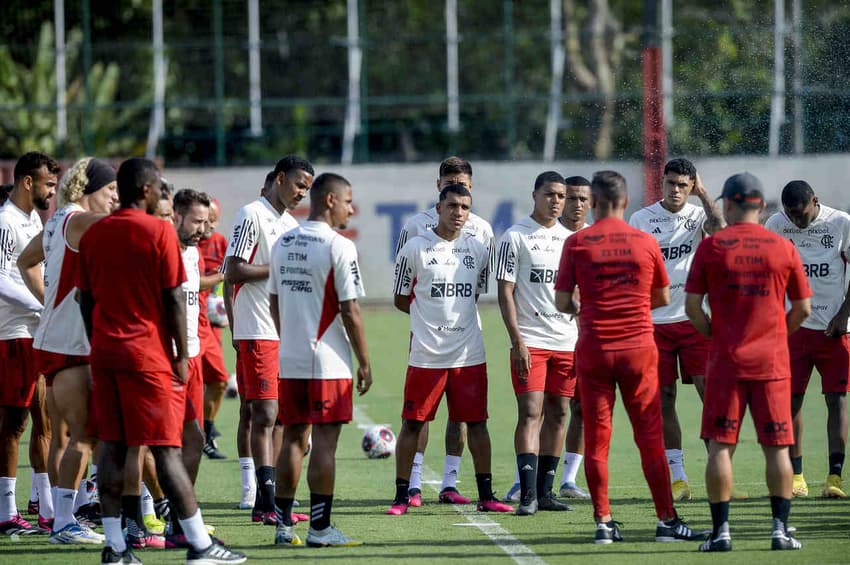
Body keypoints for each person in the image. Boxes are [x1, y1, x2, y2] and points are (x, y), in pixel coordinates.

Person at [78, 157, 245, 564]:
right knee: (168, 449)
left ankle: (115, 548)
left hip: (106, 353)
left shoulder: (94, 234)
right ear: (147, 191)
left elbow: (86, 299)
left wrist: (97, 341)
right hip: (148, 356)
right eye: (158, 191)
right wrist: (184, 354)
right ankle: (199, 545)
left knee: (113, 450)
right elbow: (174, 296)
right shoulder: (158, 232)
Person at [554, 170, 704, 544]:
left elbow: (561, 302)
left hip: (594, 350)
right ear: (624, 201)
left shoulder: (576, 242)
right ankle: (666, 521)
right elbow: (663, 299)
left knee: (598, 439)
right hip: (639, 348)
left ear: (592, 203)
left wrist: (592, 308)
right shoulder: (644, 240)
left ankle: (604, 521)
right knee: (650, 437)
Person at [686, 173, 811, 552]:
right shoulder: (782, 246)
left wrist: (716, 335)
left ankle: (721, 533)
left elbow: (692, 307)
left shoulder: (712, 247)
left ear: (728, 204)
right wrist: (776, 336)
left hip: (726, 361)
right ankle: (779, 531)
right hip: (772, 363)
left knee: (721, 447)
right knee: (777, 448)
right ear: (761, 204)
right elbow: (803, 308)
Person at [387, 184, 512, 516]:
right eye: (453, 205)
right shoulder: (415, 248)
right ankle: (402, 497)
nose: (459, 212)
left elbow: (476, 293)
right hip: (427, 355)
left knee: (477, 423)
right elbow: (401, 298)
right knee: (412, 423)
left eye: (465, 207)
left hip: (469, 353)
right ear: (439, 207)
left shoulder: (478, 249)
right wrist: (428, 321)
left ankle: (487, 495)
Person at [16, 157, 117, 544]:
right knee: (85, 436)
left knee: (61, 436)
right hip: (74, 342)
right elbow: (122, 225)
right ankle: (66, 523)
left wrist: (49, 303)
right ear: (89, 190)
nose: (114, 199)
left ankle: (63, 519)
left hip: (50, 338)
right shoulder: (78, 219)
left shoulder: (57, 219)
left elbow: (27, 261)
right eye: (110, 191)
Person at [268, 172, 372, 547]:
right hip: (327, 362)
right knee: (324, 444)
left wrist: (290, 340)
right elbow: (351, 310)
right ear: (330, 200)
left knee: (292, 441)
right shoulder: (338, 246)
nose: (351, 208)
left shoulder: (283, 241)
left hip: (290, 357)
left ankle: (283, 528)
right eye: (347, 201)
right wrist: (364, 361)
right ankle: (320, 529)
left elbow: (274, 300)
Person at [222, 156, 314, 521]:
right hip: (256, 328)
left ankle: (268, 505)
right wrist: (279, 266)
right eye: (297, 184)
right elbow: (233, 270)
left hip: (283, 332)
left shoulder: (291, 225)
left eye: (306, 188)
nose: (301, 193)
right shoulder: (252, 214)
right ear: (279, 179)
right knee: (265, 414)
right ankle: (267, 498)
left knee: (280, 419)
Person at [628, 158, 725, 502]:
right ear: (662, 183)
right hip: (654, 323)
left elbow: (722, 230)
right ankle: (679, 476)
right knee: (664, 398)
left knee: (709, 392)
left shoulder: (699, 215)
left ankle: (720, 473)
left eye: (683, 185)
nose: (675, 191)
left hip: (694, 319)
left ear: (691, 186)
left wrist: (703, 193)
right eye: (671, 183)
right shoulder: (642, 219)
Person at [764, 180, 850, 499]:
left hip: (834, 328)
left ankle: (834, 478)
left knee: (836, 399)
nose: (796, 222)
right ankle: (797, 475)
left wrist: (843, 315)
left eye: (801, 215)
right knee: (791, 401)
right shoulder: (776, 224)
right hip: (792, 329)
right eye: (791, 216)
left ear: (815, 201)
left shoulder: (840, 222)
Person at [496, 171, 574, 515]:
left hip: (568, 341)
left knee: (559, 413)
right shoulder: (514, 237)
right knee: (531, 412)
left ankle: (545, 492)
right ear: (534, 195)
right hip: (532, 341)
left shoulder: (571, 240)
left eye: (561, 196)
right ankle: (526, 494)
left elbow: (577, 292)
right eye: (550, 194)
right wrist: (518, 341)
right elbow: (505, 292)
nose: (556, 201)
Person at [0, 151, 59, 536]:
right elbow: (1, 280)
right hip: (12, 333)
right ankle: (6, 514)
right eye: (48, 184)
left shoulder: (32, 218)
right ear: (27, 182)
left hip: (35, 331)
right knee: (14, 425)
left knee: (46, 421)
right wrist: (43, 302)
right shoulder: (5, 221)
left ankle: (46, 508)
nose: (51, 192)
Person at [557, 175, 592, 500]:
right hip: (549, 336)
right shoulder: (549, 237)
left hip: (587, 338)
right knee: (542, 410)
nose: (576, 204)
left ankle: (569, 478)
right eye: (571, 198)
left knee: (582, 407)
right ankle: (525, 479)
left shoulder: (594, 239)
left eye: (583, 199)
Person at [198, 198, 229, 460]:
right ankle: (197, 435)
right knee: (192, 383)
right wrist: (218, 278)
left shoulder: (221, 243)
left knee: (219, 381)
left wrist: (226, 310)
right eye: (202, 219)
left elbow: (232, 280)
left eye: (211, 219)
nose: (206, 225)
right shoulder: (186, 242)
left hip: (211, 324)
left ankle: (205, 433)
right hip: (192, 321)